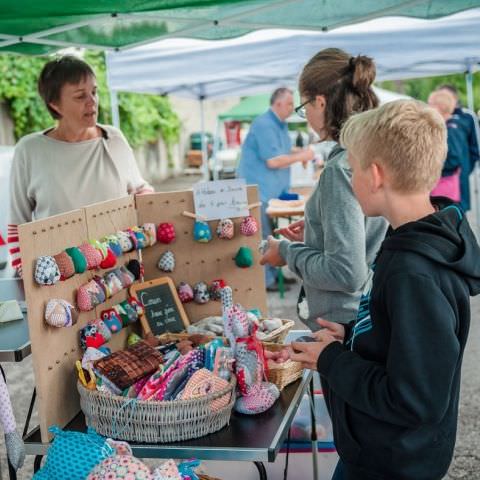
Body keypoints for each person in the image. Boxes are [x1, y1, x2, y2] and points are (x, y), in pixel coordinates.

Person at [290, 100, 480, 480]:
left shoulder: (416, 272)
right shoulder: (409, 239)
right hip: (382, 453)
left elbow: (415, 399)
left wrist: (332, 360)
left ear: (375, 174)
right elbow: (405, 343)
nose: (351, 178)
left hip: (393, 464)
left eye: (353, 168)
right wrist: (354, 338)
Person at [260, 49, 387, 329]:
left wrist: (287, 252)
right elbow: (363, 234)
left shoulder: (339, 168)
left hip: (342, 324)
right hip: (364, 314)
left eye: (304, 106)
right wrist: (320, 232)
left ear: (320, 101)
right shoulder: (368, 152)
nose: (304, 115)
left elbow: (346, 272)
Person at [8, 55, 153, 272]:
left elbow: (140, 191)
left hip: (120, 276)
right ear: (55, 104)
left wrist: (151, 203)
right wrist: (28, 280)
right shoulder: (29, 150)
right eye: (80, 96)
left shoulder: (113, 139)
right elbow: (17, 228)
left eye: (94, 92)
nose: (92, 101)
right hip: (60, 284)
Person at [236, 87, 314, 291]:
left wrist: (300, 153)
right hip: (257, 191)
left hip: (271, 192)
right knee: (261, 235)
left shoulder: (279, 125)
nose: (292, 107)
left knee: (272, 233)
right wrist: (303, 156)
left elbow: (284, 152)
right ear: (278, 103)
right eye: (289, 103)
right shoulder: (265, 124)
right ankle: (267, 281)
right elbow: (273, 160)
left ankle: (275, 274)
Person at [436, 84, 480, 211]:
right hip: (439, 181)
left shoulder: (465, 118)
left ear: (454, 99)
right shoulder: (437, 118)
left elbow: (475, 151)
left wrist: (463, 170)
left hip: (457, 179)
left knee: (456, 214)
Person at [428, 90, 463, 201]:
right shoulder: (446, 127)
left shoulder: (451, 129)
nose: (428, 107)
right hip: (443, 183)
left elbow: (454, 158)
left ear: (440, 107)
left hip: (445, 184)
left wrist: (431, 165)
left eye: (430, 104)